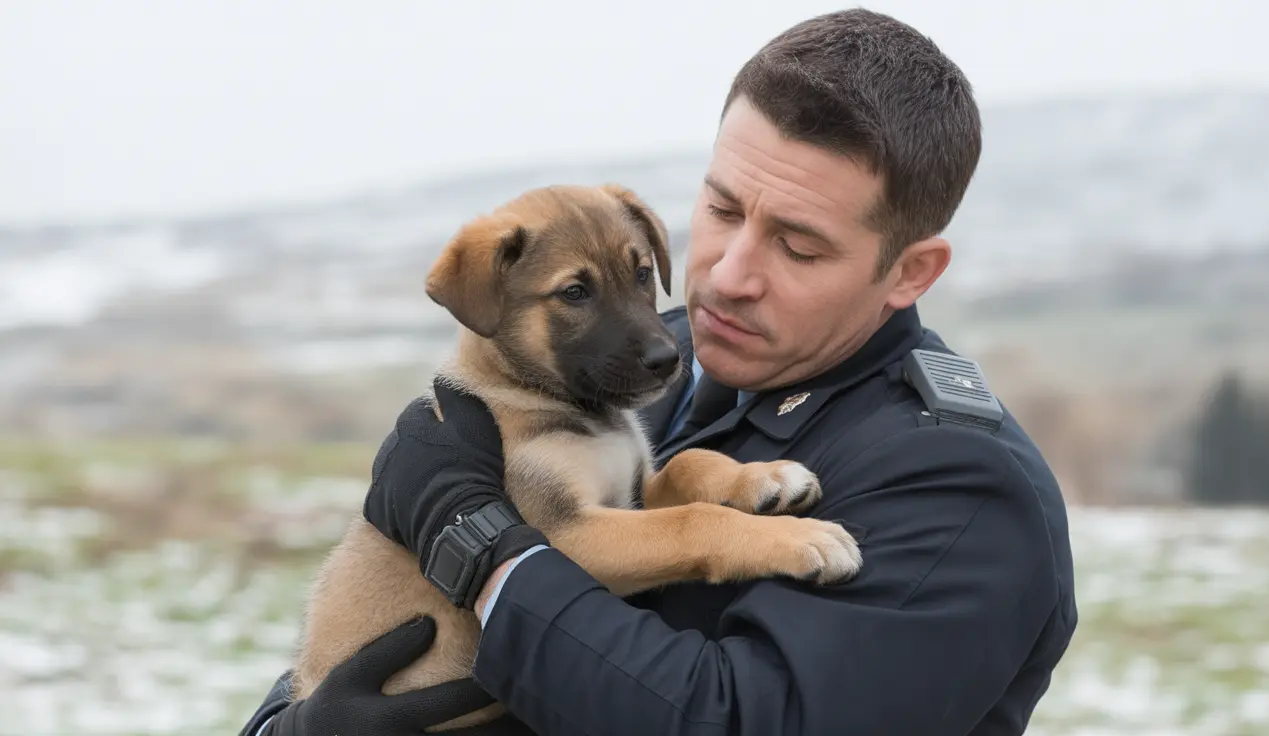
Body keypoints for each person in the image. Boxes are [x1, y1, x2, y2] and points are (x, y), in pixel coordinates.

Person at [241, 8, 1078, 736]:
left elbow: (736, 720)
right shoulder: (646, 366)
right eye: (720, 209)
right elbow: (366, 626)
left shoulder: (962, 492)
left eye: (797, 244)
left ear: (910, 272)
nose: (730, 272)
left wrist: (483, 550)